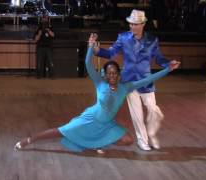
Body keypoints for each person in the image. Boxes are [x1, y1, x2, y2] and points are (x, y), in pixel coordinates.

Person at [14, 38, 180, 153]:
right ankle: (29, 140)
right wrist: (90, 46)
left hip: (107, 124)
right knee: (61, 131)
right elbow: (87, 64)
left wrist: (168, 69)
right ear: (105, 75)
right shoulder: (100, 83)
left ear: (118, 74)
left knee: (128, 140)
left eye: (115, 72)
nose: (113, 75)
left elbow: (148, 79)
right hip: (90, 118)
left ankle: (96, 144)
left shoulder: (125, 87)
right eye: (109, 73)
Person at [89, 9, 180, 151]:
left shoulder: (152, 40)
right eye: (130, 24)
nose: (131, 26)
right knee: (137, 115)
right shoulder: (123, 38)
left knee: (153, 110)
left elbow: (159, 58)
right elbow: (111, 53)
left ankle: (151, 133)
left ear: (143, 24)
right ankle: (142, 140)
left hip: (146, 81)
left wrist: (169, 64)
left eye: (135, 24)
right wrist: (97, 51)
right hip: (129, 82)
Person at [34, 14, 55, 79]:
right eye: (43, 19)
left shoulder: (50, 27)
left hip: (48, 47)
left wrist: (48, 30)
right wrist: (39, 34)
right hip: (40, 47)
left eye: (46, 18)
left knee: (50, 62)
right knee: (39, 62)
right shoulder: (38, 28)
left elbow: (53, 35)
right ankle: (39, 75)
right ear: (41, 20)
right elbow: (35, 39)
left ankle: (52, 75)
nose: (45, 20)